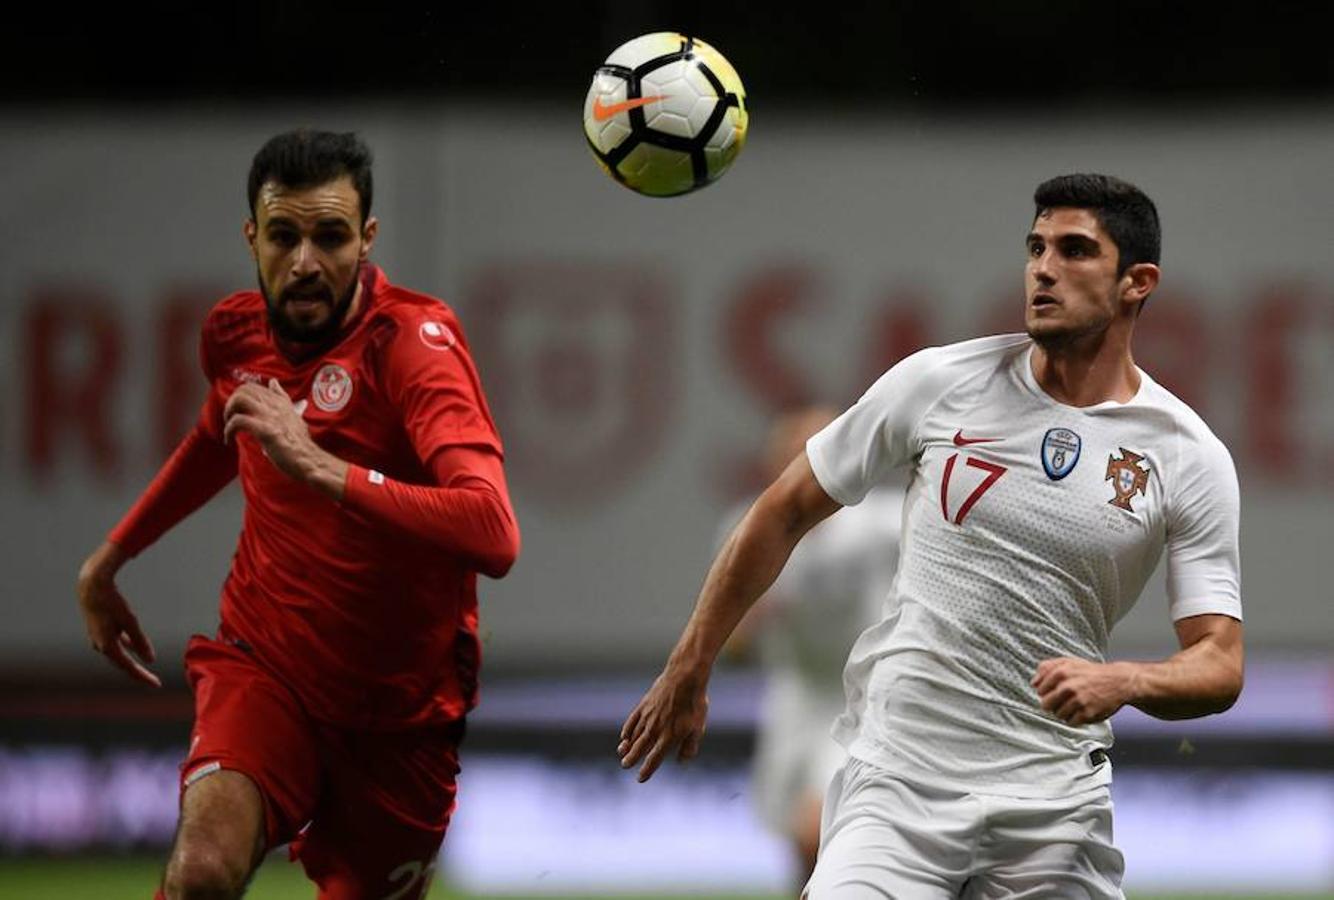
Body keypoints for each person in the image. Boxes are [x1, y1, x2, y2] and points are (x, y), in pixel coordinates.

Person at [619, 174, 1243, 898]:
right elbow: (782, 508)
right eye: (1036, 247)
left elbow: (1219, 662)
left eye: (1075, 251)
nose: (1044, 268)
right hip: (899, 785)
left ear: (1138, 283)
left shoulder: (1184, 454)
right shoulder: (939, 383)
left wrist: (1126, 680)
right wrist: (689, 666)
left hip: (1053, 808)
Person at [75, 129, 519, 900]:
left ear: (368, 239)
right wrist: (114, 556)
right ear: (253, 236)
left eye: (331, 237)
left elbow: (492, 530)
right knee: (203, 874)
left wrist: (322, 467)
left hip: (401, 715)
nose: (305, 262)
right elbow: (221, 434)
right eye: (284, 236)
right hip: (267, 665)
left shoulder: (413, 345)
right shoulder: (237, 334)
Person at [722, 407, 903, 889]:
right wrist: (747, 627)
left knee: (816, 833)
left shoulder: (880, 525)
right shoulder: (749, 532)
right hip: (794, 698)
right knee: (798, 848)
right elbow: (733, 648)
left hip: (859, 701)